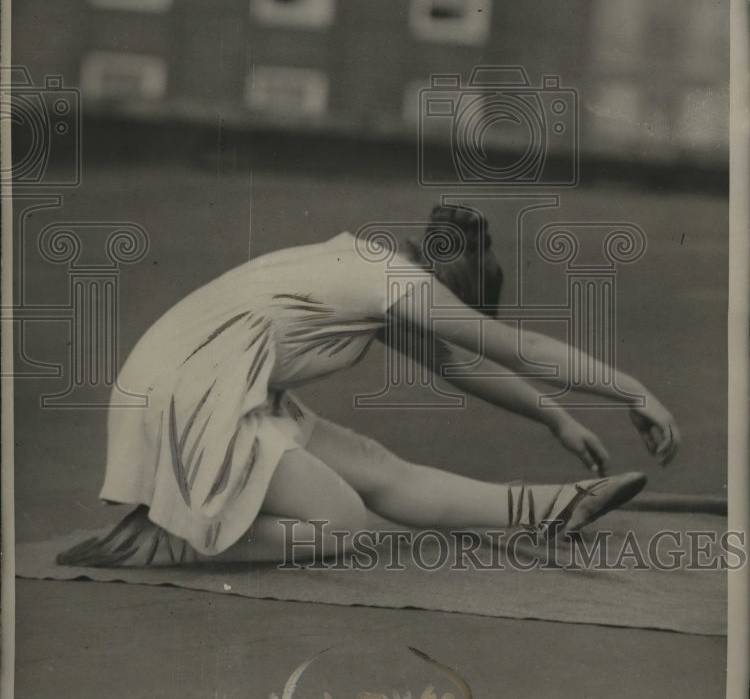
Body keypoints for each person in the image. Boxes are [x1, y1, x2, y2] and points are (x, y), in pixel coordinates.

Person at [58, 205, 680, 569]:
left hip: (209, 378)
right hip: (193, 392)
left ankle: (551, 510)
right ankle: (169, 540)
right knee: (340, 524)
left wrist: (557, 419)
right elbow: (523, 348)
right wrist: (632, 391)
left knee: (378, 468)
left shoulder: (371, 266)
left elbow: (457, 364)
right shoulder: (392, 285)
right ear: (441, 291)